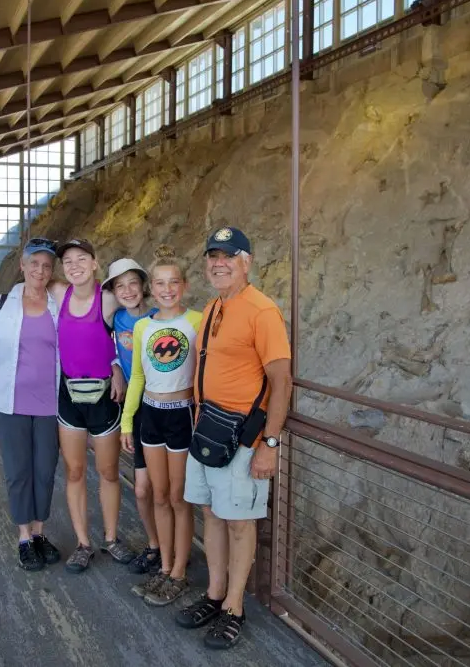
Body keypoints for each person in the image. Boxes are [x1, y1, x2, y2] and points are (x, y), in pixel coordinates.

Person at [175, 227, 292, 650]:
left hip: (241, 438)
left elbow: (281, 381)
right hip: (207, 430)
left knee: (241, 523)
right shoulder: (214, 306)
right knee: (211, 512)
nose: (218, 263)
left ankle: (235, 607)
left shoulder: (262, 311)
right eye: (212, 256)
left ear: (247, 261)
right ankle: (215, 593)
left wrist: (270, 443)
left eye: (228, 256)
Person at [121, 246, 202, 606]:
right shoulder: (142, 326)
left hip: (182, 415)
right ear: (151, 288)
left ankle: (180, 573)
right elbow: (137, 376)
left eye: (174, 282)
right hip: (150, 416)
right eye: (160, 283)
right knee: (158, 494)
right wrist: (127, 422)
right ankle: (165, 567)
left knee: (177, 497)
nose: (167, 289)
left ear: (183, 285)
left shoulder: (198, 321)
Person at [50, 238, 135, 573]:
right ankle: (83, 542)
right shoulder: (59, 293)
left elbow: (130, 329)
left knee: (108, 471)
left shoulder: (109, 299)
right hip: (69, 395)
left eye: (81, 259)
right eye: (68, 261)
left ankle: (111, 538)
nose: (74, 266)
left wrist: (117, 365)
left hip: (103, 396)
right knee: (74, 471)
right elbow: (26, 289)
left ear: (95, 263)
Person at [0, 237, 63, 571]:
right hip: (8, 402)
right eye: (34, 264)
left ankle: (40, 531)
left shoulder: (58, 303)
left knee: (44, 470)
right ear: (22, 266)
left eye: (46, 266)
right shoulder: (1, 305)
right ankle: (24, 536)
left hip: (49, 404)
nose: (39, 271)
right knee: (18, 472)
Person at [104, 258, 161, 577]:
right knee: (142, 489)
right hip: (136, 410)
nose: (127, 290)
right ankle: (155, 545)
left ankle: (173, 548)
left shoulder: (159, 317)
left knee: (168, 488)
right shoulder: (117, 319)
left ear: (144, 286)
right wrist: (115, 368)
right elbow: (106, 346)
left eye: (132, 283)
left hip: (166, 407)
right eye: (119, 285)